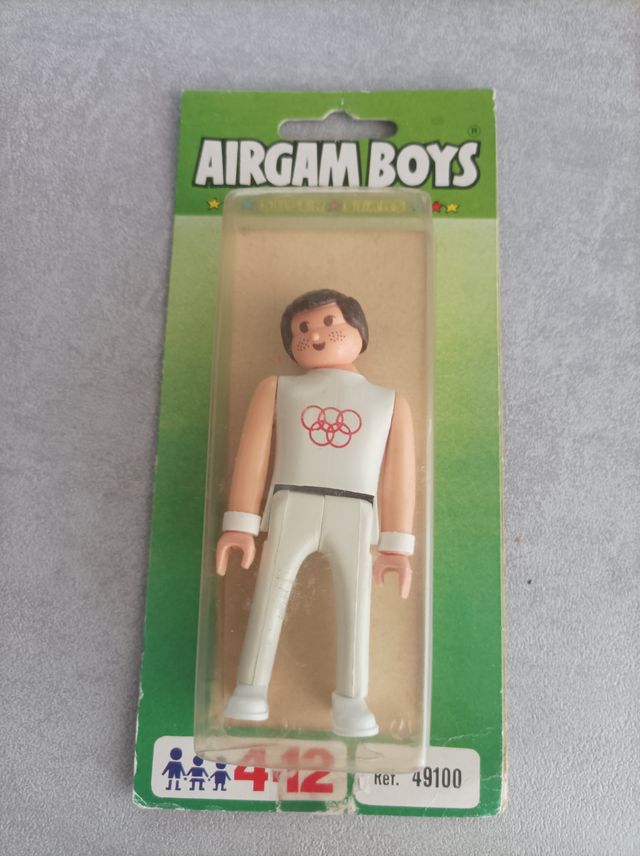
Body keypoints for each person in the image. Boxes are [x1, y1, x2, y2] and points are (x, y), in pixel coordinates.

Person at [216, 289, 416, 737]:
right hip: (292, 501)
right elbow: (253, 455)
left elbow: (398, 477)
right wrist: (241, 524)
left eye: (329, 322)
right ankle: (250, 688)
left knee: (356, 604)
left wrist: (396, 545)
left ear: (359, 330)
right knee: (270, 592)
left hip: (356, 510)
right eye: (301, 330)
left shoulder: (389, 402)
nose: (317, 336)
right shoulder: (278, 389)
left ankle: (352, 698)